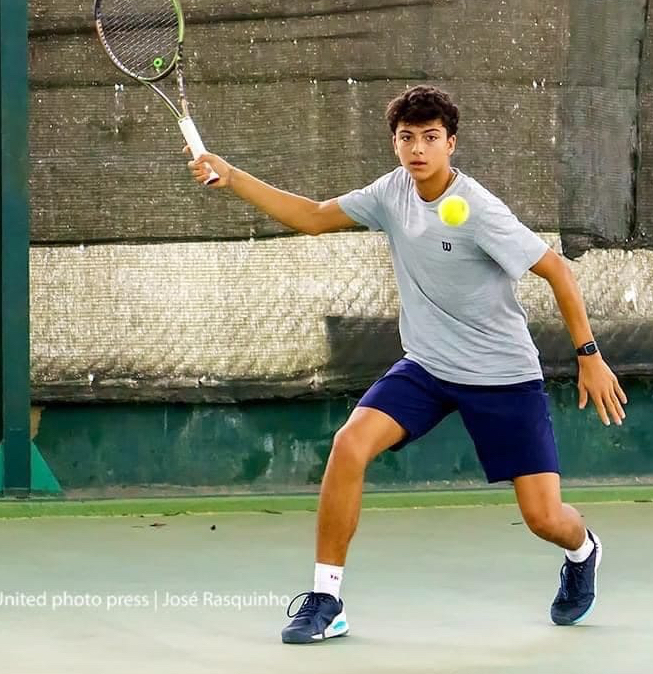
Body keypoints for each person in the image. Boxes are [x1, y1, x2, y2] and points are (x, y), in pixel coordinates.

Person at [187, 85, 627, 644]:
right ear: (395, 144)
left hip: (501, 377)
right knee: (350, 444)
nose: (418, 148)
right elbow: (315, 216)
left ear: (451, 144)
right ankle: (326, 598)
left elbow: (558, 272)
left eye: (430, 138)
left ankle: (584, 550)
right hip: (427, 366)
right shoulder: (390, 192)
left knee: (544, 518)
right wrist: (234, 177)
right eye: (406, 138)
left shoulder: (481, 211)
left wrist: (589, 356)